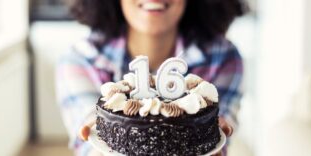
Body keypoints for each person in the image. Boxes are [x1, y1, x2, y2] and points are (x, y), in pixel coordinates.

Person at [56, 0, 247, 155]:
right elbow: (90, 146)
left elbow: (218, 143)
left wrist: (212, 138)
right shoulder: (80, 60)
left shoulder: (224, 57)